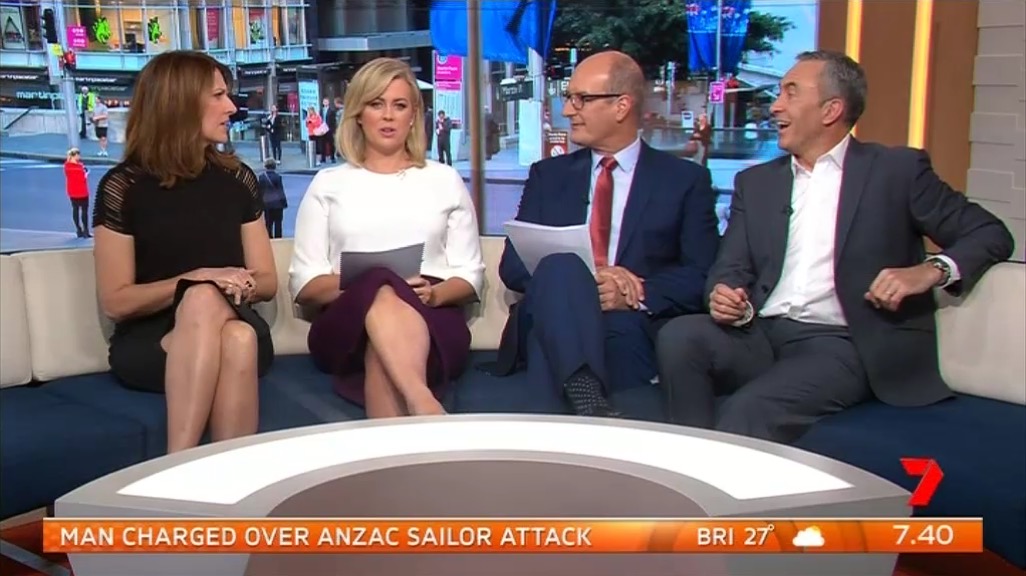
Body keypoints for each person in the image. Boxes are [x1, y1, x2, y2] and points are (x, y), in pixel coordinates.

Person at [656, 51, 1015, 444]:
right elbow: (730, 265)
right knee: (680, 336)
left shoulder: (896, 172)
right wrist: (724, 294)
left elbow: (989, 233)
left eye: (791, 93)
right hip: (757, 331)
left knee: (749, 409)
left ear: (831, 110)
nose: (775, 106)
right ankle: (689, 457)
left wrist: (931, 270)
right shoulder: (757, 182)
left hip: (842, 342)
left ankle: (709, 477)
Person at [493, 51, 721, 417]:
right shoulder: (548, 175)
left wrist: (636, 291)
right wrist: (588, 281)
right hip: (550, 310)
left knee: (554, 346)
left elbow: (702, 273)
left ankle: (576, 400)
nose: (568, 110)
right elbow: (513, 265)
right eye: (568, 97)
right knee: (563, 268)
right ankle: (588, 397)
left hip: (628, 325)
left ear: (621, 106)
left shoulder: (684, 181)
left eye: (581, 99)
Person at [92, 50, 278, 454]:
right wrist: (196, 280)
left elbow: (267, 281)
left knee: (233, 327)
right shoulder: (122, 187)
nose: (231, 107)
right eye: (218, 96)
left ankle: (177, 466)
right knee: (212, 310)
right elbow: (116, 301)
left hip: (236, 317)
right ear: (180, 102)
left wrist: (235, 285)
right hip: (152, 341)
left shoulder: (238, 179)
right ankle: (204, 474)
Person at [289, 57, 484, 418]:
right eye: (377, 104)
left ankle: (414, 412)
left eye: (399, 105)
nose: (389, 116)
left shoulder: (444, 180)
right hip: (346, 324)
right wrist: (376, 284)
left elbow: (470, 276)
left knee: (381, 350)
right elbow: (305, 286)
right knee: (381, 283)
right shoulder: (328, 184)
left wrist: (434, 293)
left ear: (413, 116)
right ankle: (424, 403)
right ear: (358, 114)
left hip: (432, 317)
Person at [63, 147, 91, 238]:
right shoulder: (79, 167)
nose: (79, 157)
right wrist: (86, 173)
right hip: (82, 191)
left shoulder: (67, 167)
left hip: (72, 191)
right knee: (84, 211)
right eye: (78, 155)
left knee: (75, 210)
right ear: (74, 156)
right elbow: (82, 178)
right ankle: (86, 230)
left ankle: (78, 230)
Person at [258, 158, 287, 238]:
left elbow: (260, 192)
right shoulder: (278, 177)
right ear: (274, 166)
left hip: (267, 204)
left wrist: (259, 204)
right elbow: (280, 191)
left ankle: (269, 238)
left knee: (268, 224)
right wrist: (284, 203)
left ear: (265, 166)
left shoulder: (261, 177)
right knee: (278, 224)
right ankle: (278, 238)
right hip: (277, 204)